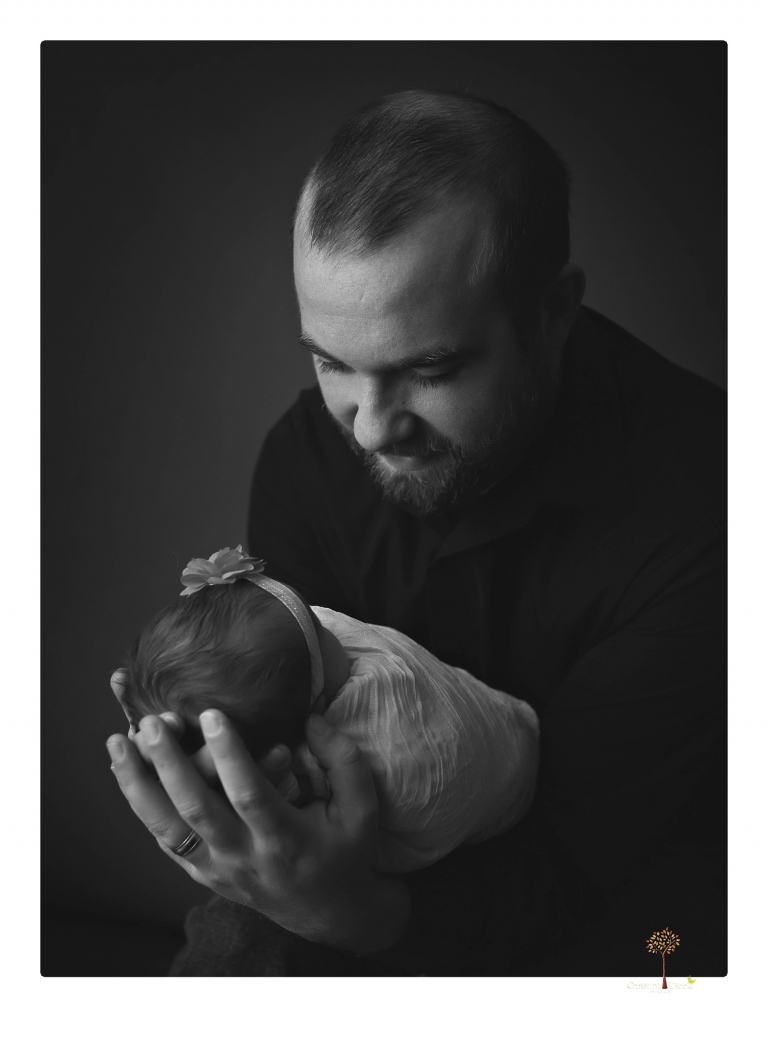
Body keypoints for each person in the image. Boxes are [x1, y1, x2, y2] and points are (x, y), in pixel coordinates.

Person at [107, 89, 726, 976]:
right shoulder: (306, 457)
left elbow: (581, 872)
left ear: (553, 315)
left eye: (430, 369)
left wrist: (359, 913)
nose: (367, 427)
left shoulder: (713, 510)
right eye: (332, 363)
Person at [117, 546, 539, 873]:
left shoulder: (324, 670)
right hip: (501, 774)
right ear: (316, 710)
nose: (327, 622)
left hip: (508, 801)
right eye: (320, 632)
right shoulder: (372, 736)